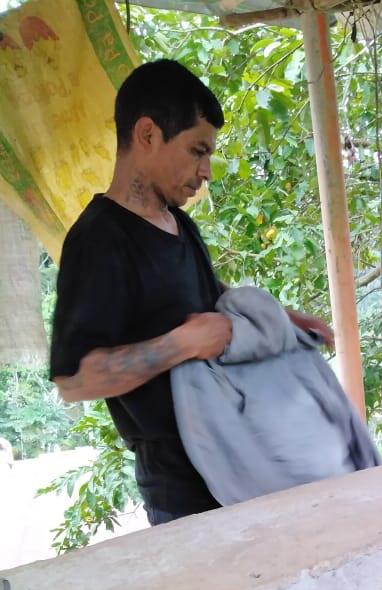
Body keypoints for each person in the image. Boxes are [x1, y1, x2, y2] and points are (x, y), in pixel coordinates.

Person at [50, 59, 333, 526]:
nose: (206, 172)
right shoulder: (99, 240)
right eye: (197, 151)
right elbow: (75, 380)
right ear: (147, 134)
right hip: (182, 493)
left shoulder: (177, 223)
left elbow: (204, 297)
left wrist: (279, 319)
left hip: (240, 460)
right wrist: (180, 345)